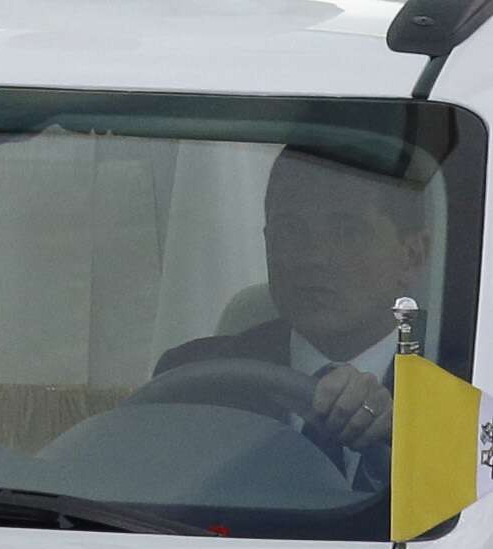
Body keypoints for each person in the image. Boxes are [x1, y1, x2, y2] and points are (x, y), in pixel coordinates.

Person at [149, 149, 427, 478]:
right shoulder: (193, 380)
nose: (314, 257)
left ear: (411, 256)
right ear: (268, 242)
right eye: (290, 230)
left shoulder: (470, 375)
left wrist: (404, 430)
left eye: (345, 231)